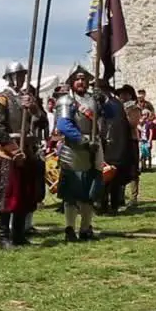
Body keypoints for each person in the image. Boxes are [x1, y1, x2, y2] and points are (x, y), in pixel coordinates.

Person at [53, 67, 118, 242]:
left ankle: (85, 228)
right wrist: (82, 141)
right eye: (77, 79)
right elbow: (64, 124)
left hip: (95, 145)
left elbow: (112, 114)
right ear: (72, 82)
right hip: (74, 148)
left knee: (90, 192)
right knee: (72, 193)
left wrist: (104, 99)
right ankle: (69, 228)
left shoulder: (94, 100)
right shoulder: (66, 101)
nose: (81, 82)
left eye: (84, 79)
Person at [0, 61, 47, 249]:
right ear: (10, 77)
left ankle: (19, 234)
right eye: (18, 75)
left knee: (24, 196)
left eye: (23, 75)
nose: (21, 78)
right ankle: (3, 237)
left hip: (28, 150)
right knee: (7, 196)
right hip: (9, 152)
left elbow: (43, 122)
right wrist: (14, 150)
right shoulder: (1, 99)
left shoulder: (28, 98)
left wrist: (34, 109)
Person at [98, 84, 139, 215]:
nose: (123, 96)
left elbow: (133, 123)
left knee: (129, 171)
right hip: (112, 143)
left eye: (126, 94)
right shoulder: (112, 106)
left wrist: (123, 115)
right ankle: (106, 202)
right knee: (108, 174)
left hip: (128, 142)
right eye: (121, 94)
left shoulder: (132, 108)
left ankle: (130, 198)